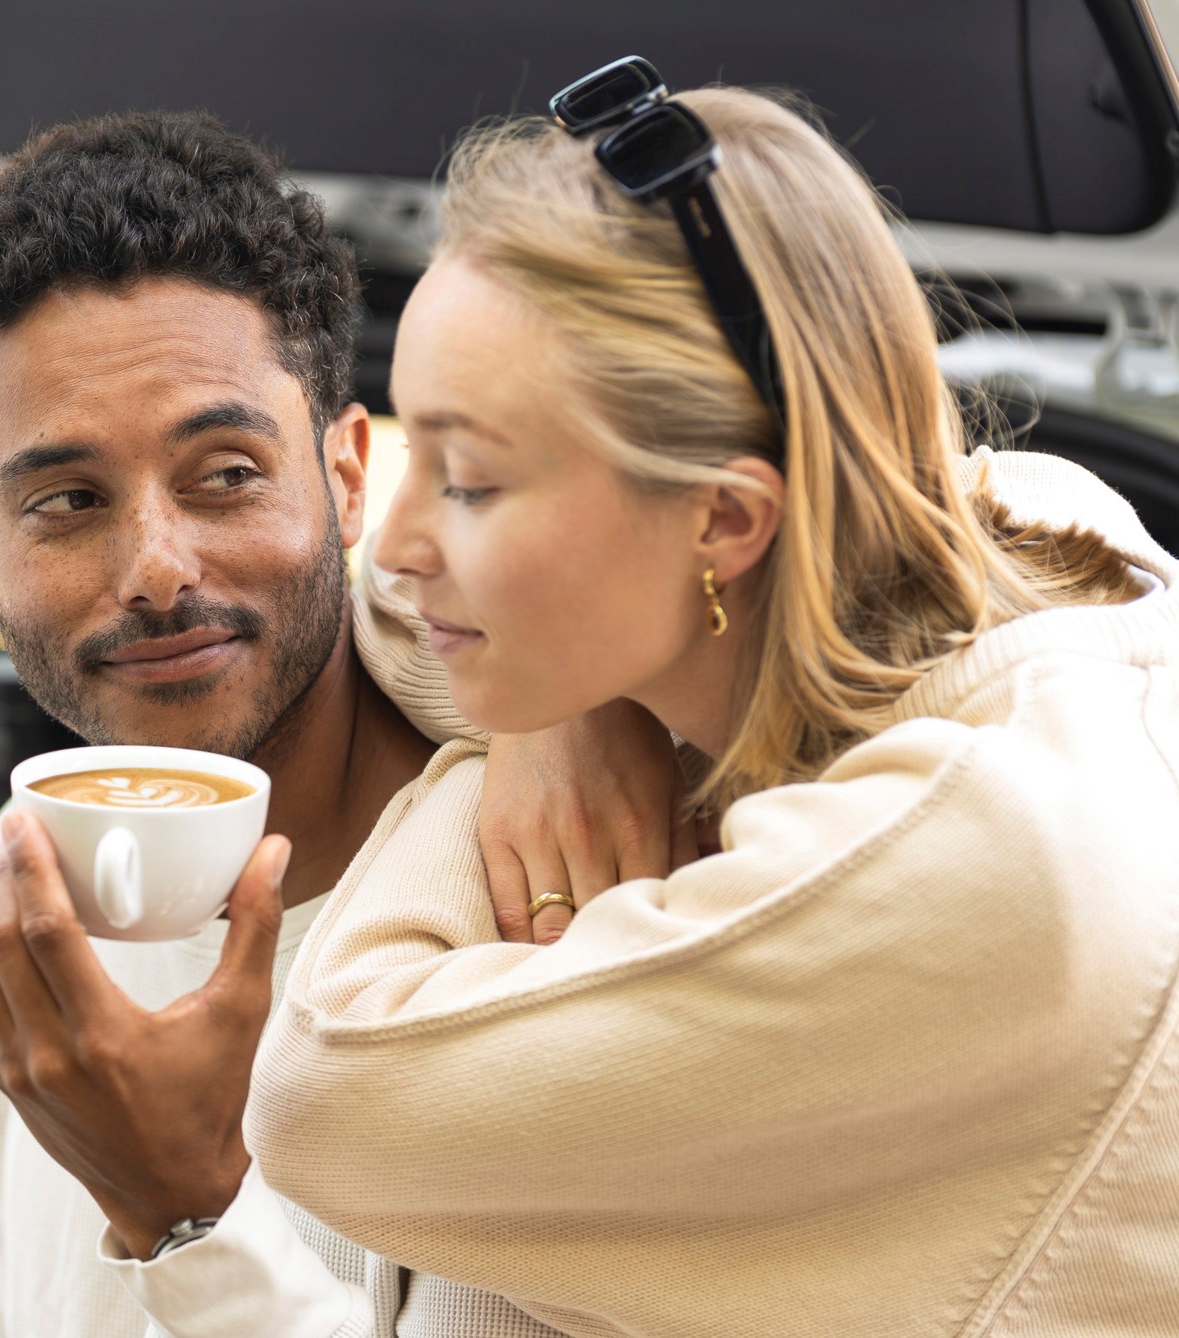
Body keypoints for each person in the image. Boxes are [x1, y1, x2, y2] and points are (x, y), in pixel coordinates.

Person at [233, 69, 1179, 1336]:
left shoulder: (982, 848)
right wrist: (553, 712)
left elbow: (322, 1097)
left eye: (470, 482)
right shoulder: (1022, 522)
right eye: (415, 448)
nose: (391, 546)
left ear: (725, 520)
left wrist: (494, 759)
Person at [0, 110, 679, 1337]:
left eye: (226, 474)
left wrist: (186, 1214)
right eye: (66, 500)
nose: (157, 569)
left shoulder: (557, 888)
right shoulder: (15, 900)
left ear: (348, 476)